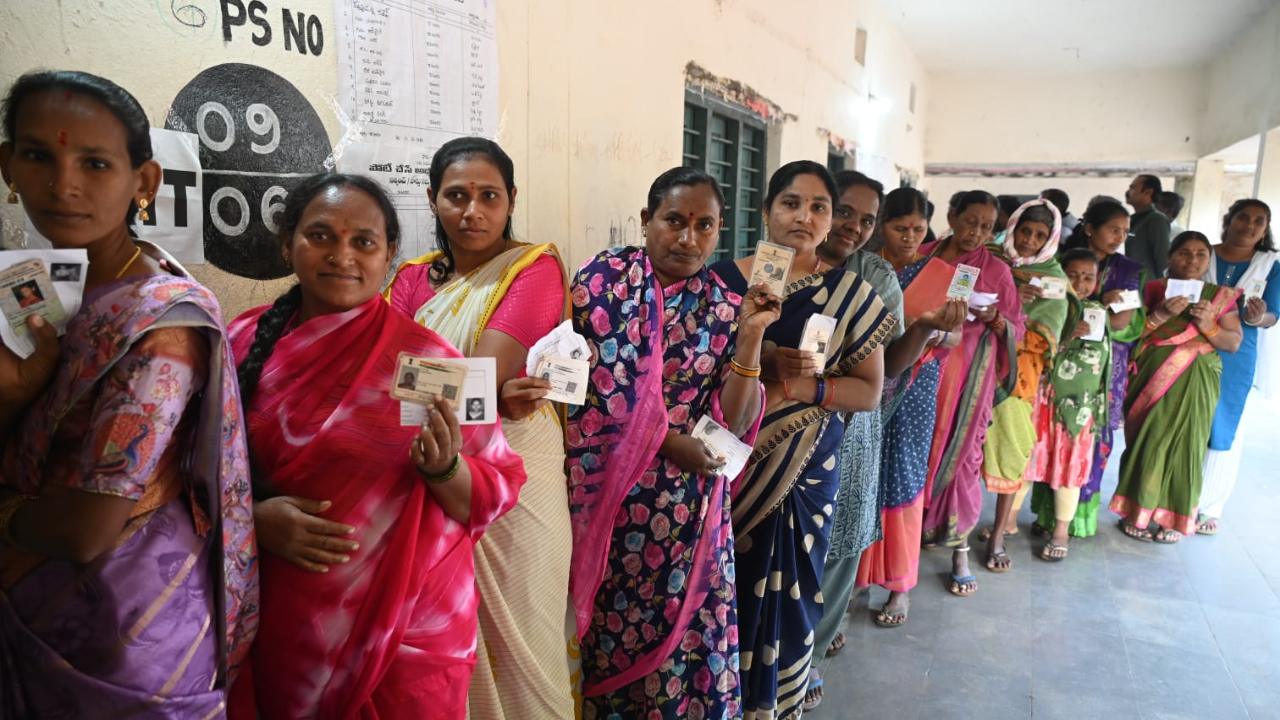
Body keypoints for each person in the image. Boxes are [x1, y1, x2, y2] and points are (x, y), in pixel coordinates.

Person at [0, 70, 257, 716]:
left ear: (144, 182)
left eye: (95, 163)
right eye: (38, 156)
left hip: (125, 633)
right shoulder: (30, 295)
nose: (63, 185)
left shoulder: (160, 323)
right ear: (7, 167)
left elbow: (88, 529)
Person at [227, 172, 526, 719]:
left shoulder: (435, 363)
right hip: (279, 628)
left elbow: (496, 491)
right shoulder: (240, 343)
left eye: (363, 241)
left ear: (389, 255)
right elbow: (189, 477)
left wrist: (444, 470)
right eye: (321, 235)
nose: (341, 255)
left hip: (407, 639)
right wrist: (250, 521)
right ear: (287, 242)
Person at [567, 167, 779, 719]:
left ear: (719, 230)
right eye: (674, 221)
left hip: (686, 510)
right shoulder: (600, 281)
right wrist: (666, 442)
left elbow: (733, 422)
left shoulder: (726, 307)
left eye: (704, 225)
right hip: (605, 501)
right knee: (608, 638)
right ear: (646, 220)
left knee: (683, 648)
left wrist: (751, 337)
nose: (688, 239)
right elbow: (592, 393)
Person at [383, 137, 576, 720]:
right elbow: (387, 382)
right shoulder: (411, 278)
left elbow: (474, 374)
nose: (473, 211)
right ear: (432, 199)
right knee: (446, 645)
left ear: (511, 199)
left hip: (518, 476)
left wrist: (430, 388)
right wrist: (479, 394)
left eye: (489, 196)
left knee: (528, 641)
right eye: (456, 196)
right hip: (430, 470)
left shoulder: (534, 267)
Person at [710, 161, 893, 719]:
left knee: (784, 589)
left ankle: (770, 703)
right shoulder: (721, 281)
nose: (804, 217)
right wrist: (757, 355)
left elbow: (869, 392)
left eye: (819, 208)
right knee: (717, 585)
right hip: (721, 460)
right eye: (791, 203)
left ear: (830, 220)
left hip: (803, 470)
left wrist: (799, 387)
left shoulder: (852, 295)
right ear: (767, 211)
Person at [807, 175, 962, 701]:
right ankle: (774, 651)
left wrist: (921, 328)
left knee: (838, 544)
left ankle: (810, 660)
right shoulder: (780, 262)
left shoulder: (874, 275)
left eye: (866, 219)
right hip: (785, 422)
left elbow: (892, 363)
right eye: (842, 211)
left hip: (850, 428)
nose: (852, 226)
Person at [855, 188, 966, 632]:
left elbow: (957, 335)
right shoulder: (864, 267)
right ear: (882, 225)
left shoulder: (947, 274)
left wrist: (932, 333)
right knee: (863, 473)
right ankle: (857, 578)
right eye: (900, 228)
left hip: (916, 386)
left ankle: (899, 583)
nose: (910, 237)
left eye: (918, 229)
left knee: (903, 474)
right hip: (865, 381)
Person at [919, 190, 1025, 597]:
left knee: (964, 459)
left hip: (968, 381)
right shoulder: (924, 256)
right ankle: (912, 538)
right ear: (952, 216)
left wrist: (995, 319)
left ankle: (960, 550)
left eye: (986, 227)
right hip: (921, 372)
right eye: (970, 222)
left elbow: (1017, 327)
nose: (977, 233)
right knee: (916, 453)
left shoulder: (996, 270)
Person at [1111, 232, 1242, 543]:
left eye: (1200, 254)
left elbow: (1233, 343)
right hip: (1152, 378)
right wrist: (1161, 315)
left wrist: (1209, 324)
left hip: (1197, 380)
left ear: (1209, 260)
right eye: (1184, 252)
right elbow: (1127, 333)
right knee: (1149, 440)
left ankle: (1174, 517)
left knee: (1188, 444)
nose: (1192, 260)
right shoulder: (1152, 288)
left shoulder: (1220, 296)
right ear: (1170, 256)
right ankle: (1136, 511)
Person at [980, 199, 1070, 573]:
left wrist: (1011, 311)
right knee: (957, 449)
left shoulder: (1054, 279)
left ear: (1051, 240)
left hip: (1017, 375)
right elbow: (963, 295)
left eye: (1040, 235)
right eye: (1025, 231)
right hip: (973, 361)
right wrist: (1011, 292)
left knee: (1011, 453)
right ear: (1012, 228)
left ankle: (999, 535)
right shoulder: (987, 256)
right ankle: (948, 526)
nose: (1030, 240)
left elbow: (1045, 336)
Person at [1051, 200, 1144, 538]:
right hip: (1061, 359)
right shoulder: (1061, 260)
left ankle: (1079, 518)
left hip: (1104, 365)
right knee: (1054, 434)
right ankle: (1049, 515)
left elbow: (1123, 321)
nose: (1119, 237)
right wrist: (1100, 302)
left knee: (1093, 437)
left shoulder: (1128, 271)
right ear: (1090, 228)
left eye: (1125, 231)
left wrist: (1096, 306)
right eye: (1113, 229)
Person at [1196, 199, 1279, 534]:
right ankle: (1177, 499)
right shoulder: (1202, 252)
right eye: (1243, 217)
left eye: (1259, 221)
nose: (1249, 225)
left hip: (1237, 352)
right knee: (1188, 417)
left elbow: (1273, 314)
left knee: (1225, 422)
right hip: (1192, 346)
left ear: (1265, 229)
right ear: (1228, 219)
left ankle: (1209, 505)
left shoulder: (1270, 264)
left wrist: (1259, 317)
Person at [1026, 248, 1112, 561]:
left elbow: (1097, 362)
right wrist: (1063, 335)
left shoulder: (1097, 313)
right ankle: (1006, 522)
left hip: (1079, 407)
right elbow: (1033, 349)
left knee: (1070, 465)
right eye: (1073, 275)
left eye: (1088, 277)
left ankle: (1061, 531)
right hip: (1042, 397)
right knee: (1026, 459)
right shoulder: (1048, 307)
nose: (1080, 283)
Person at [1124, 174, 1172, 279]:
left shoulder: (1156, 220)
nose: (1127, 192)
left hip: (1145, 285)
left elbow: (1162, 260)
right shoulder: (1132, 219)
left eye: (1132, 188)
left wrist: (1161, 286)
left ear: (1148, 192)